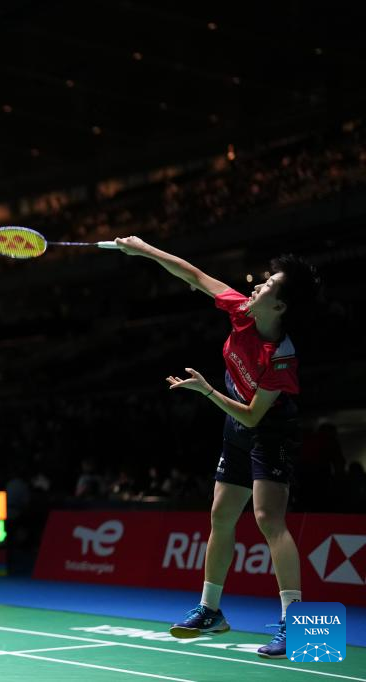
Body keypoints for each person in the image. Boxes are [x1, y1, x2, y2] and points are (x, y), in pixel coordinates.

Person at [115, 236, 321, 659]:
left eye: (268, 285)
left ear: (280, 307)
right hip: (237, 424)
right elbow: (194, 275)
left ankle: (296, 624)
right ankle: (210, 610)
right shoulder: (242, 311)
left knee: (268, 519)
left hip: (270, 429)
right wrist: (144, 250)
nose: (258, 286)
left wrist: (207, 390)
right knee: (222, 515)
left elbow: (254, 416)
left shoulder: (280, 356)